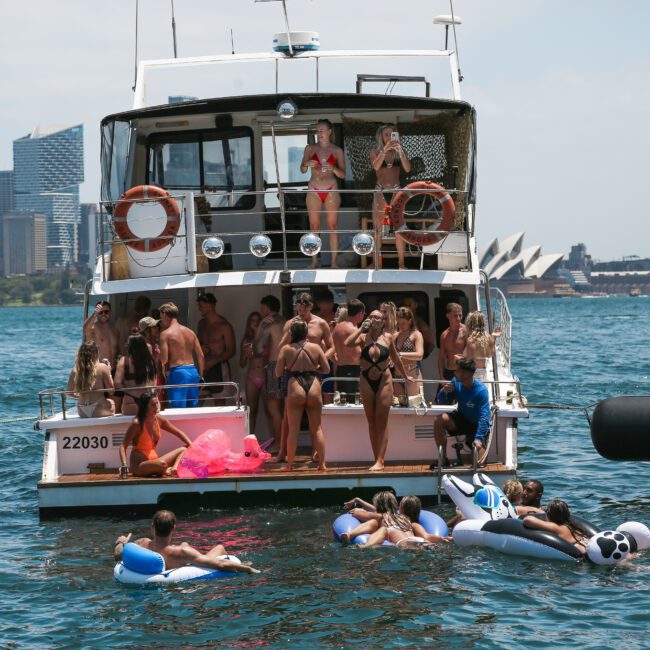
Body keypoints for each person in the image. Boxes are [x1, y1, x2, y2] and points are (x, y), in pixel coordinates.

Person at [344, 310, 412, 471]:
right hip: (366, 379)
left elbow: (395, 358)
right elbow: (347, 343)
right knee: (371, 422)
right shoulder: (362, 337)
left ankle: (381, 460)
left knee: (381, 421)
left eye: (377, 317)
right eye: (371, 316)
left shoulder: (388, 337)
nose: (373, 319)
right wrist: (361, 328)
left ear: (383, 321)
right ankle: (377, 459)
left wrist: (405, 376)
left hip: (384, 379)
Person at [276, 293, 335, 462]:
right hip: (293, 373)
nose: (301, 312)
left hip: (313, 372)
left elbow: (332, 347)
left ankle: (315, 452)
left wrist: (319, 359)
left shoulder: (321, 323)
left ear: (310, 307)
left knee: (314, 419)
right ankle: (282, 452)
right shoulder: (290, 323)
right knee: (287, 417)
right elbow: (281, 347)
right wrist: (289, 334)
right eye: (299, 309)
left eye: (304, 308)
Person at [113, 509, 261, 574]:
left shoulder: (142, 543)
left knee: (186, 545)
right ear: (174, 528)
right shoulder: (181, 552)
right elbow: (220, 564)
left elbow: (118, 556)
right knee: (220, 547)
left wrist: (121, 542)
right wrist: (245, 568)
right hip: (183, 570)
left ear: (152, 526)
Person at [300, 119, 346, 268]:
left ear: (329, 131)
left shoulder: (337, 150)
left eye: (321, 130)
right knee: (314, 226)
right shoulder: (310, 149)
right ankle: (314, 262)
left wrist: (333, 168)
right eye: (317, 131)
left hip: (331, 188)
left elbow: (343, 175)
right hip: (314, 187)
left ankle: (334, 263)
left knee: (333, 226)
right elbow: (302, 170)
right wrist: (306, 164)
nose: (318, 133)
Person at [433, 358, 490, 467]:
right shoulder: (455, 382)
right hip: (462, 419)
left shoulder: (481, 391)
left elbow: (484, 418)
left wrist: (478, 439)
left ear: (466, 374)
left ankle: (475, 448)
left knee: (479, 464)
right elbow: (442, 402)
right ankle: (443, 458)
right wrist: (443, 392)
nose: (454, 373)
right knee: (439, 420)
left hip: (477, 425)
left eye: (457, 370)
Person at [119, 392, 192, 477]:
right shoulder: (137, 423)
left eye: (157, 403)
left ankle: (173, 469)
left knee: (186, 449)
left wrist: (193, 446)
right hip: (140, 465)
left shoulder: (159, 419)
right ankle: (166, 470)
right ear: (145, 407)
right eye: (153, 405)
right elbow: (123, 446)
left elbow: (178, 432)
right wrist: (124, 465)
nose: (156, 406)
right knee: (162, 464)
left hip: (156, 462)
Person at [369, 125, 412, 269]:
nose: (389, 137)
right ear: (381, 136)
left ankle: (401, 263)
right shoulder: (375, 151)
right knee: (377, 228)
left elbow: (407, 168)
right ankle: (376, 262)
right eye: (386, 134)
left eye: (392, 134)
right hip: (380, 191)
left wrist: (400, 152)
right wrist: (385, 150)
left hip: (396, 191)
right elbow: (375, 166)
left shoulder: (400, 151)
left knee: (399, 227)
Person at [342, 493, 452, 545]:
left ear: (402, 509)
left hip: (404, 543)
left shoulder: (381, 517)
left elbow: (360, 514)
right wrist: (442, 538)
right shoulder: (410, 522)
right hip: (422, 542)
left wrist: (356, 510)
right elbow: (427, 536)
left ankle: (364, 545)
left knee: (382, 529)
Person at [158, 302, 205, 408]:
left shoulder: (165, 334)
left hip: (178, 373)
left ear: (164, 314)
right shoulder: (190, 332)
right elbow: (201, 356)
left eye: (160, 316)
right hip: (193, 372)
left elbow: (164, 360)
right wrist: (201, 376)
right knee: (192, 409)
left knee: (177, 410)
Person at [256, 295, 285, 448]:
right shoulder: (286, 321)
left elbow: (258, 349)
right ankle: (286, 443)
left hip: (274, 366)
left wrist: (260, 327)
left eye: (262, 307)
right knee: (286, 408)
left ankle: (279, 444)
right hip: (289, 365)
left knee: (273, 409)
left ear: (266, 307)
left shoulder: (268, 324)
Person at [196, 293, 235, 404]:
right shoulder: (201, 324)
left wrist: (215, 360)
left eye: (201, 305)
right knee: (197, 400)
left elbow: (232, 350)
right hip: (204, 368)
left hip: (219, 368)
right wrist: (202, 349)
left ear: (209, 305)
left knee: (220, 402)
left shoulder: (224, 326)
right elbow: (199, 344)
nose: (199, 309)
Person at [67, 341, 115, 418]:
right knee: (111, 402)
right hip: (99, 408)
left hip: (81, 410)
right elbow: (111, 391)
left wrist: (80, 396)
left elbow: (69, 392)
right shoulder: (102, 367)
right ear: (95, 353)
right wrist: (109, 371)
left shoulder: (75, 369)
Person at [524, 499, 588, 555]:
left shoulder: (556, 527)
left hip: (581, 560)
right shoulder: (574, 527)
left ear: (549, 515)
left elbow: (527, 520)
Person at [114, 334, 158, 415]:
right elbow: (154, 381)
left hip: (131, 401)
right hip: (150, 400)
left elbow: (117, 383)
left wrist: (129, 389)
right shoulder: (150, 361)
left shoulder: (124, 361)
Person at [332, 299, 365, 396]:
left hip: (340, 369)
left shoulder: (337, 328)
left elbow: (332, 348)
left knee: (342, 402)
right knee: (354, 403)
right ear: (360, 314)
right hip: (353, 370)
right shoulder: (353, 330)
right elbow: (358, 352)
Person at [239, 311, 265, 433]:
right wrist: (245, 354)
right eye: (252, 321)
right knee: (251, 411)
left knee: (271, 411)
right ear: (249, 324)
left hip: (265, 376)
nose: (255, 323)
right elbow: (242, 363)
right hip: (252, 377)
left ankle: (276, 441)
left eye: (258, 320)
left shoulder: (266, 337)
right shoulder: (246, 340)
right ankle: (250, 438)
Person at [393, 307, 424, 404]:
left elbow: (420, 355)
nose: (400, 326)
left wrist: (401, 354)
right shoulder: (395, 336)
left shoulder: (416, 334)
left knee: (413, 405)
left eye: (403, 323)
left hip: (412, 376)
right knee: (398, 406)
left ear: (410, 321)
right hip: (397, 376)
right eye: (398, 323)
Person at [462, 311, 501, 383]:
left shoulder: (471, 340)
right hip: (483, 374)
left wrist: (459, 360)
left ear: (470, 324)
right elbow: (489, 355)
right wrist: (494, 337)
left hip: (472, 377)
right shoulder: (489, 338)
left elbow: (469, 363)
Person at [82, 300, 120, 369]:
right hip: (98, 370)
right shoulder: (94, 328)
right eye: (100, 312)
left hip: (113, 369)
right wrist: (94, 313)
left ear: (110, 312)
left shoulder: (115, 330)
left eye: (106, 312)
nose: (103, 314)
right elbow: (85, 329)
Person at [438, 302, 467, 382]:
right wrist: (441, 377)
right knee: (441, 394)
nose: (458, 318)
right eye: (455, 316)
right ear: (448, 316)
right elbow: (441, 358)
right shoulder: (444, 335)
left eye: (460, 315)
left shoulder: (466, 332)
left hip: (463, 372)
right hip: (449, 372)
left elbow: (472, 353)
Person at [402, 295, 435, 359]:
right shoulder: (401, 322)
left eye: (409, 305)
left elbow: (431, 345)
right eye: (405, 305)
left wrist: (422, 357)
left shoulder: (421, 324)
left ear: (416, 305)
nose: (407, 307)